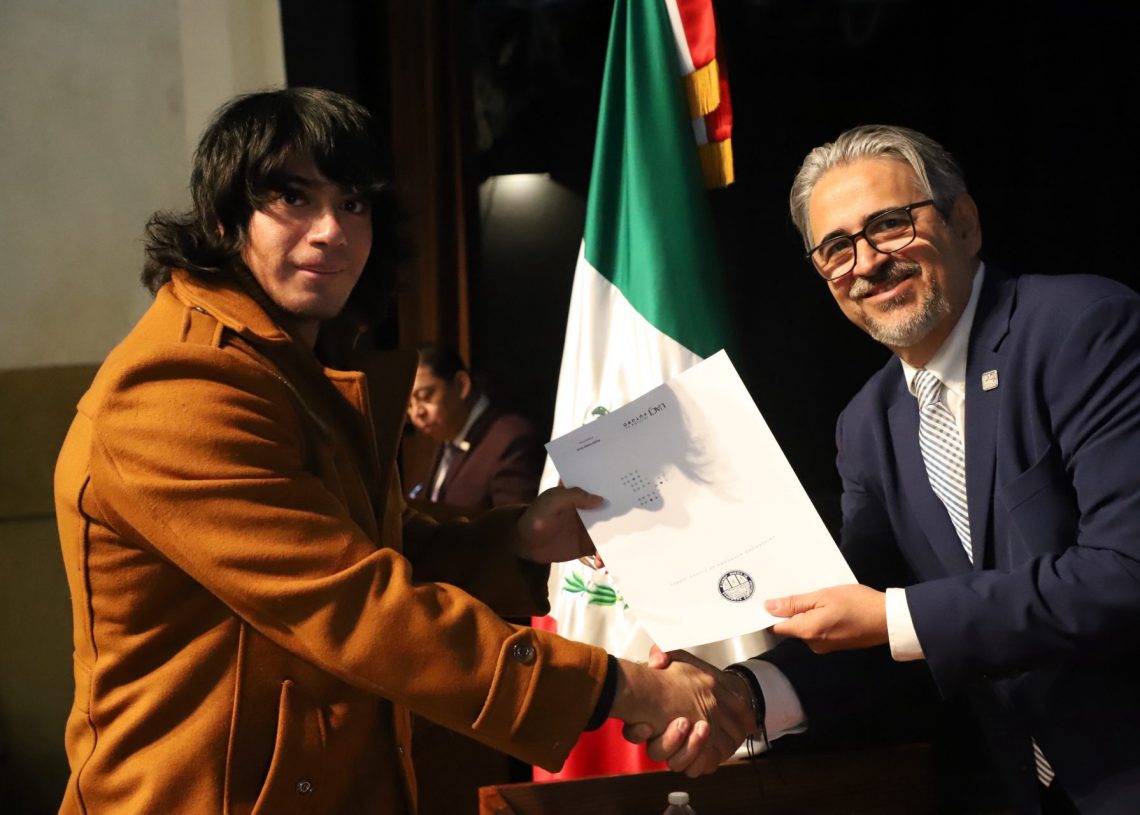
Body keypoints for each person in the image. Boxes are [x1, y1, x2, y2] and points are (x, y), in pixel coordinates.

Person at [52, 87, 755, 814]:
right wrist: (623, 686)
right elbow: (353, 603)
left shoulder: (289, 364)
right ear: (225, 218)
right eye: (293, 198)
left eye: (353, 202)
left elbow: (368, 542)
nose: (331, 231)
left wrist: (514, 538)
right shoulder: (180, 385)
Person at [638, 125, 1140, 813]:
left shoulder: (1084, 327)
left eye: (890, 225)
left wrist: (891, 614)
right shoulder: (868, 425)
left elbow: (1124, 571)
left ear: (964, 223)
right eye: (836, 248)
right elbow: (879, 632)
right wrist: (742, 696)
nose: (867, 262)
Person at [406, 343, 544, 510]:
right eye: (408, 405)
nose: (416, 413)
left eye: (425, 396)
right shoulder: (446, 438)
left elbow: (517, 523)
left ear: (461, 385)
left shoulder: (510, 439)